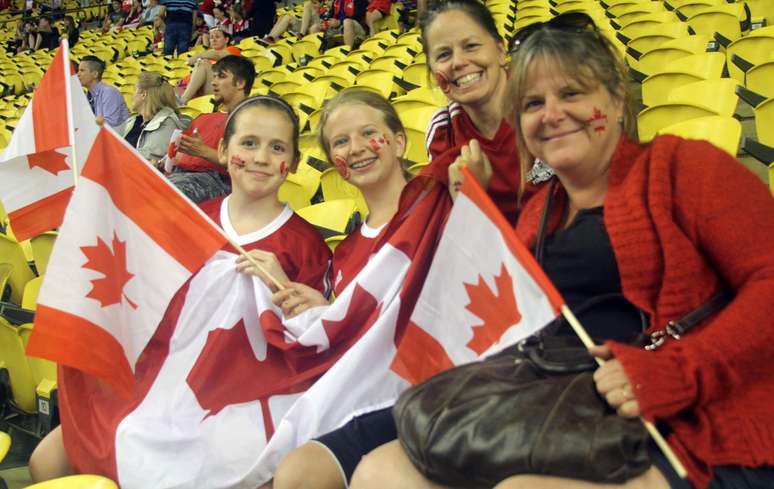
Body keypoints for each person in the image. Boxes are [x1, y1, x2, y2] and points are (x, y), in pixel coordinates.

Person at [349, 12, 774, 489]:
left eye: (571, 94)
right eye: (532, 103)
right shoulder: (539, 209)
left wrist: (677, 372)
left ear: (615, 100)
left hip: (692, 422)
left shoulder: (684, 169)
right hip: (571, 410)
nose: (551, 113)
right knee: (378, 473)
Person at [28, 93, 333, 485]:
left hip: (238, 401)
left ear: (291, 163)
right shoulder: (190, 220)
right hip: (158, 381)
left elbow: (310, 349)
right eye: (249, 143)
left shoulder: (307, 246)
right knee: (46, 461)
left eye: (277, 148)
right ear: (223, 150)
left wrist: (284, 289)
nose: (260, 158)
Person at [268, 88, 417, 489]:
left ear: (399, 141)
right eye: (340, 141)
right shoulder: (346, 251)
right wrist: (323, 307)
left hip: (425, 392)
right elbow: (353, 330)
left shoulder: (436, 207)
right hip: (368, 400)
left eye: (368, 133)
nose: (355, 149)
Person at [420, 0, 547, 225]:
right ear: (433, 74)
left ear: (500, 50)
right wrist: (469, 196)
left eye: (471, 46)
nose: (458, 62)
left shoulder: (546, 104)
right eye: (443, 55)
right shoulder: (443, 132)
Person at [170, 55, 255, 203]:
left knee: (167, 194)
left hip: (217, 181)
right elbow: (177, 154)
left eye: (221, 77)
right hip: (179, 175)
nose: (213, 82)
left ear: (240, 83)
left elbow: (248, 165)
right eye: (214, 77)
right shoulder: (202, 118)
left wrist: (202, 151)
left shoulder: (252, 120)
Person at [117, 72, 186, 162]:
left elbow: (150, 157)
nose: (132, 96)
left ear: (143, 94)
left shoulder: (166, 122)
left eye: (135, 91)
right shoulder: (134, 121)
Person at [178, 26, 241, 104]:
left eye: (217, 37)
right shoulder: (207, 56)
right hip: (201, 91)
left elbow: (217, 54)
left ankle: (182, 102)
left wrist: (197, 56)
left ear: (226, 39)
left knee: (203, 63)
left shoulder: (233, 49)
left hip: (222, 91)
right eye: (211, 37)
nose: (214, 40)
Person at [77, 55, 130, 128]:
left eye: (82, 70)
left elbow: (110, 125)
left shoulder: (109, 92)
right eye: (78, 70)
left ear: (95, 74)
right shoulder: (87, 96)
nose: (78, 74)